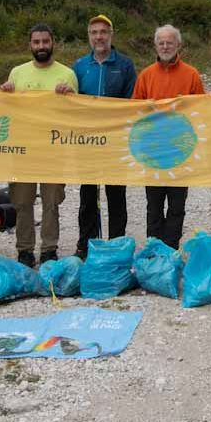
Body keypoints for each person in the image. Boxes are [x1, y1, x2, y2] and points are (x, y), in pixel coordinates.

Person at [1, 23, 79, 268]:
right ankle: (24, 249)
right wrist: (4, 93)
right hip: (23, 149)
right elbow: (5, 111)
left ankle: (49, 249)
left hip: (53, 151)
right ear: (30, 45)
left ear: (53, 43)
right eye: (37, 42)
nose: (41, 46)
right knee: (22, 202)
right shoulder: (17, 73)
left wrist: (69, 96)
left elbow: (78, 113)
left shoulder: (67, 74)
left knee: (51, 202)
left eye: (46, 41)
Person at [132, 24, 205, 249]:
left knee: (176, 205)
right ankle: (154, 248)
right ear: (155, 45)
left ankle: (171, 249)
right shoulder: (145, 75)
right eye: (161, 42)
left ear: (178, 45)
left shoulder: (191, 74)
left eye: (169, 42)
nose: (165, 46)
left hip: (180, 151)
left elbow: (203, 108)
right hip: (152, 151)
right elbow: (134, 110)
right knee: (153, 205)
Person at [72, 15, 137, 259]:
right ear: (89, 36)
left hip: (116, 141)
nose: (99, 37)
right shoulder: (79, 66)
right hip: (87, 141)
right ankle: (85, 243)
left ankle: (117, 242)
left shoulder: (125, 64)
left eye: (103, 32)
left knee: (116, 194)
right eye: (94, 32)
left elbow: (132, 101)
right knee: (87, 194)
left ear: (111, 34)